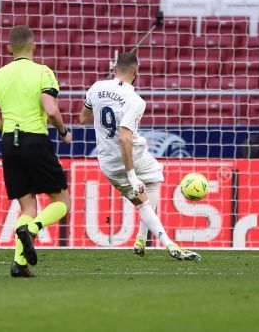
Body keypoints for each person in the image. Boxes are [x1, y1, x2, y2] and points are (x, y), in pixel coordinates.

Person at [80, 52, 201, 261]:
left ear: (113, 68)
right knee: (153, 180)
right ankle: (167, 244)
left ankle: (142, 240)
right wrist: (132, 175)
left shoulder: (96, 88)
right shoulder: (136, 101)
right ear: (135, 72)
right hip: (129, 158)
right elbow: (125, 138)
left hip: (108, 163)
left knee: (144, 199)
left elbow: (83, 119)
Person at [0, 25, 73, 278]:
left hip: (10, 143)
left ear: (9, 48)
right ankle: (33, 230)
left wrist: (8, 131)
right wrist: (64, 132)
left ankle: (19, 264)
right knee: (62, 201)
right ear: (34, 46)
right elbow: (51, 109)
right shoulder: (43, 72)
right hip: (35, 139)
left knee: (27, 206)